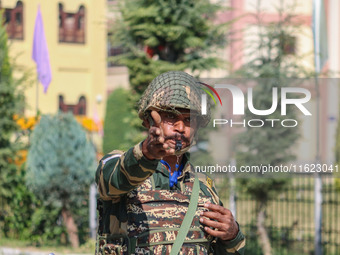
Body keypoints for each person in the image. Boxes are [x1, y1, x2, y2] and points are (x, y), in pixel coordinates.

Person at [95, 71, 245, 254]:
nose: (180, 128)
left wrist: (232, 236)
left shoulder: (205, 187)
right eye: (171, 117)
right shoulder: (117, 164)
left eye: (189, 119)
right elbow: (114, 180)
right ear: (149, 119)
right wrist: (146, 153)